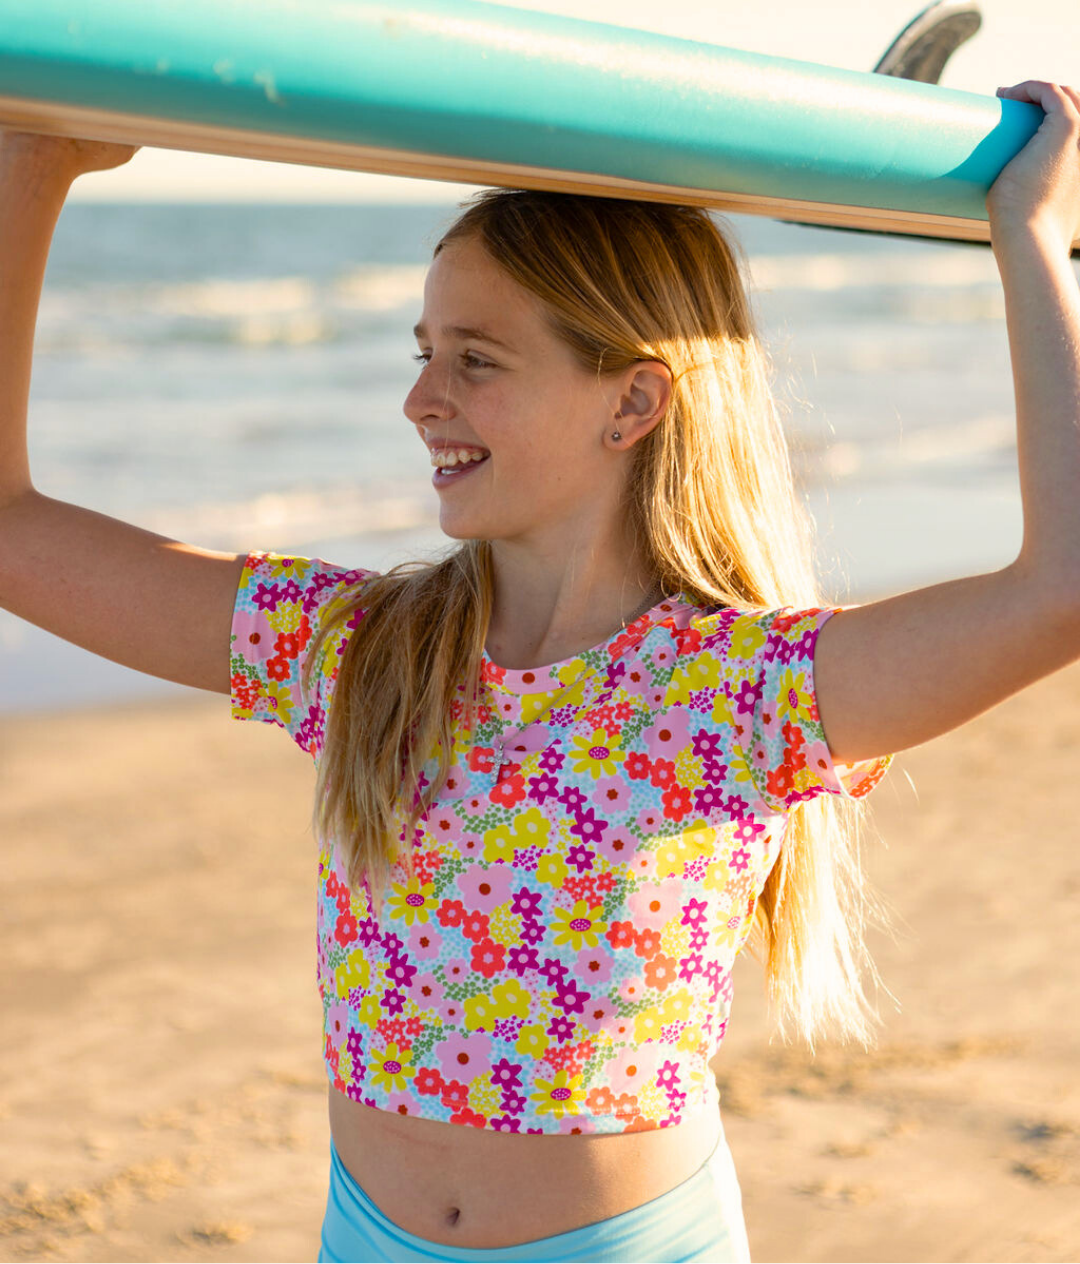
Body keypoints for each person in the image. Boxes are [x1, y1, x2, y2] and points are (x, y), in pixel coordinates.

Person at [1, 78, 1077, 1263]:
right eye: (423, 352)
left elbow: (1059, 592)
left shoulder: (735, 692)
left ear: (631, 401)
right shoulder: (359, 653)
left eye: (476, 359)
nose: (420, 400)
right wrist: (35, 165)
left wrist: (1022, 235)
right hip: (365, 1238)